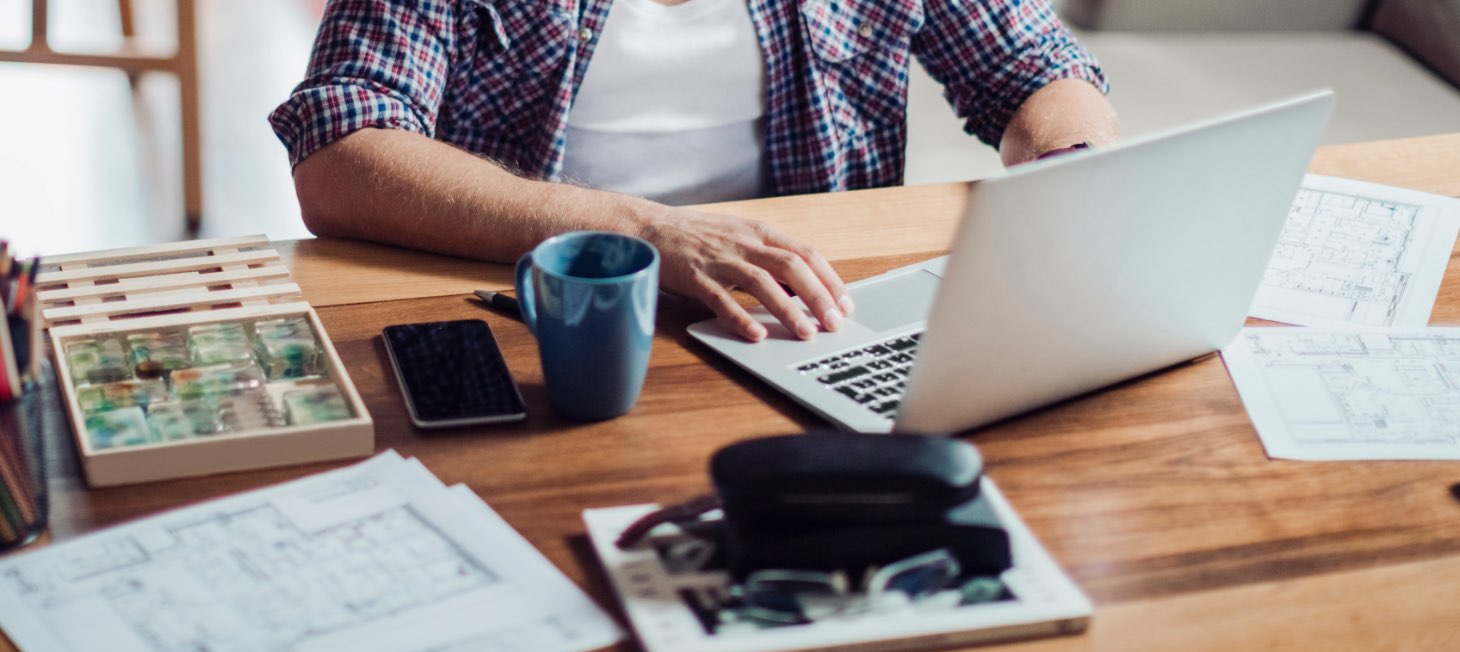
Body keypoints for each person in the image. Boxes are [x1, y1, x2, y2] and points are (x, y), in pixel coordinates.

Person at [271, 0, 1119, 342]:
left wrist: (1074, 173)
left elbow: (1037, 67)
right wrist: (646, 232)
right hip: (535, 314)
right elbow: (343, 152)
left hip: (803, 312)